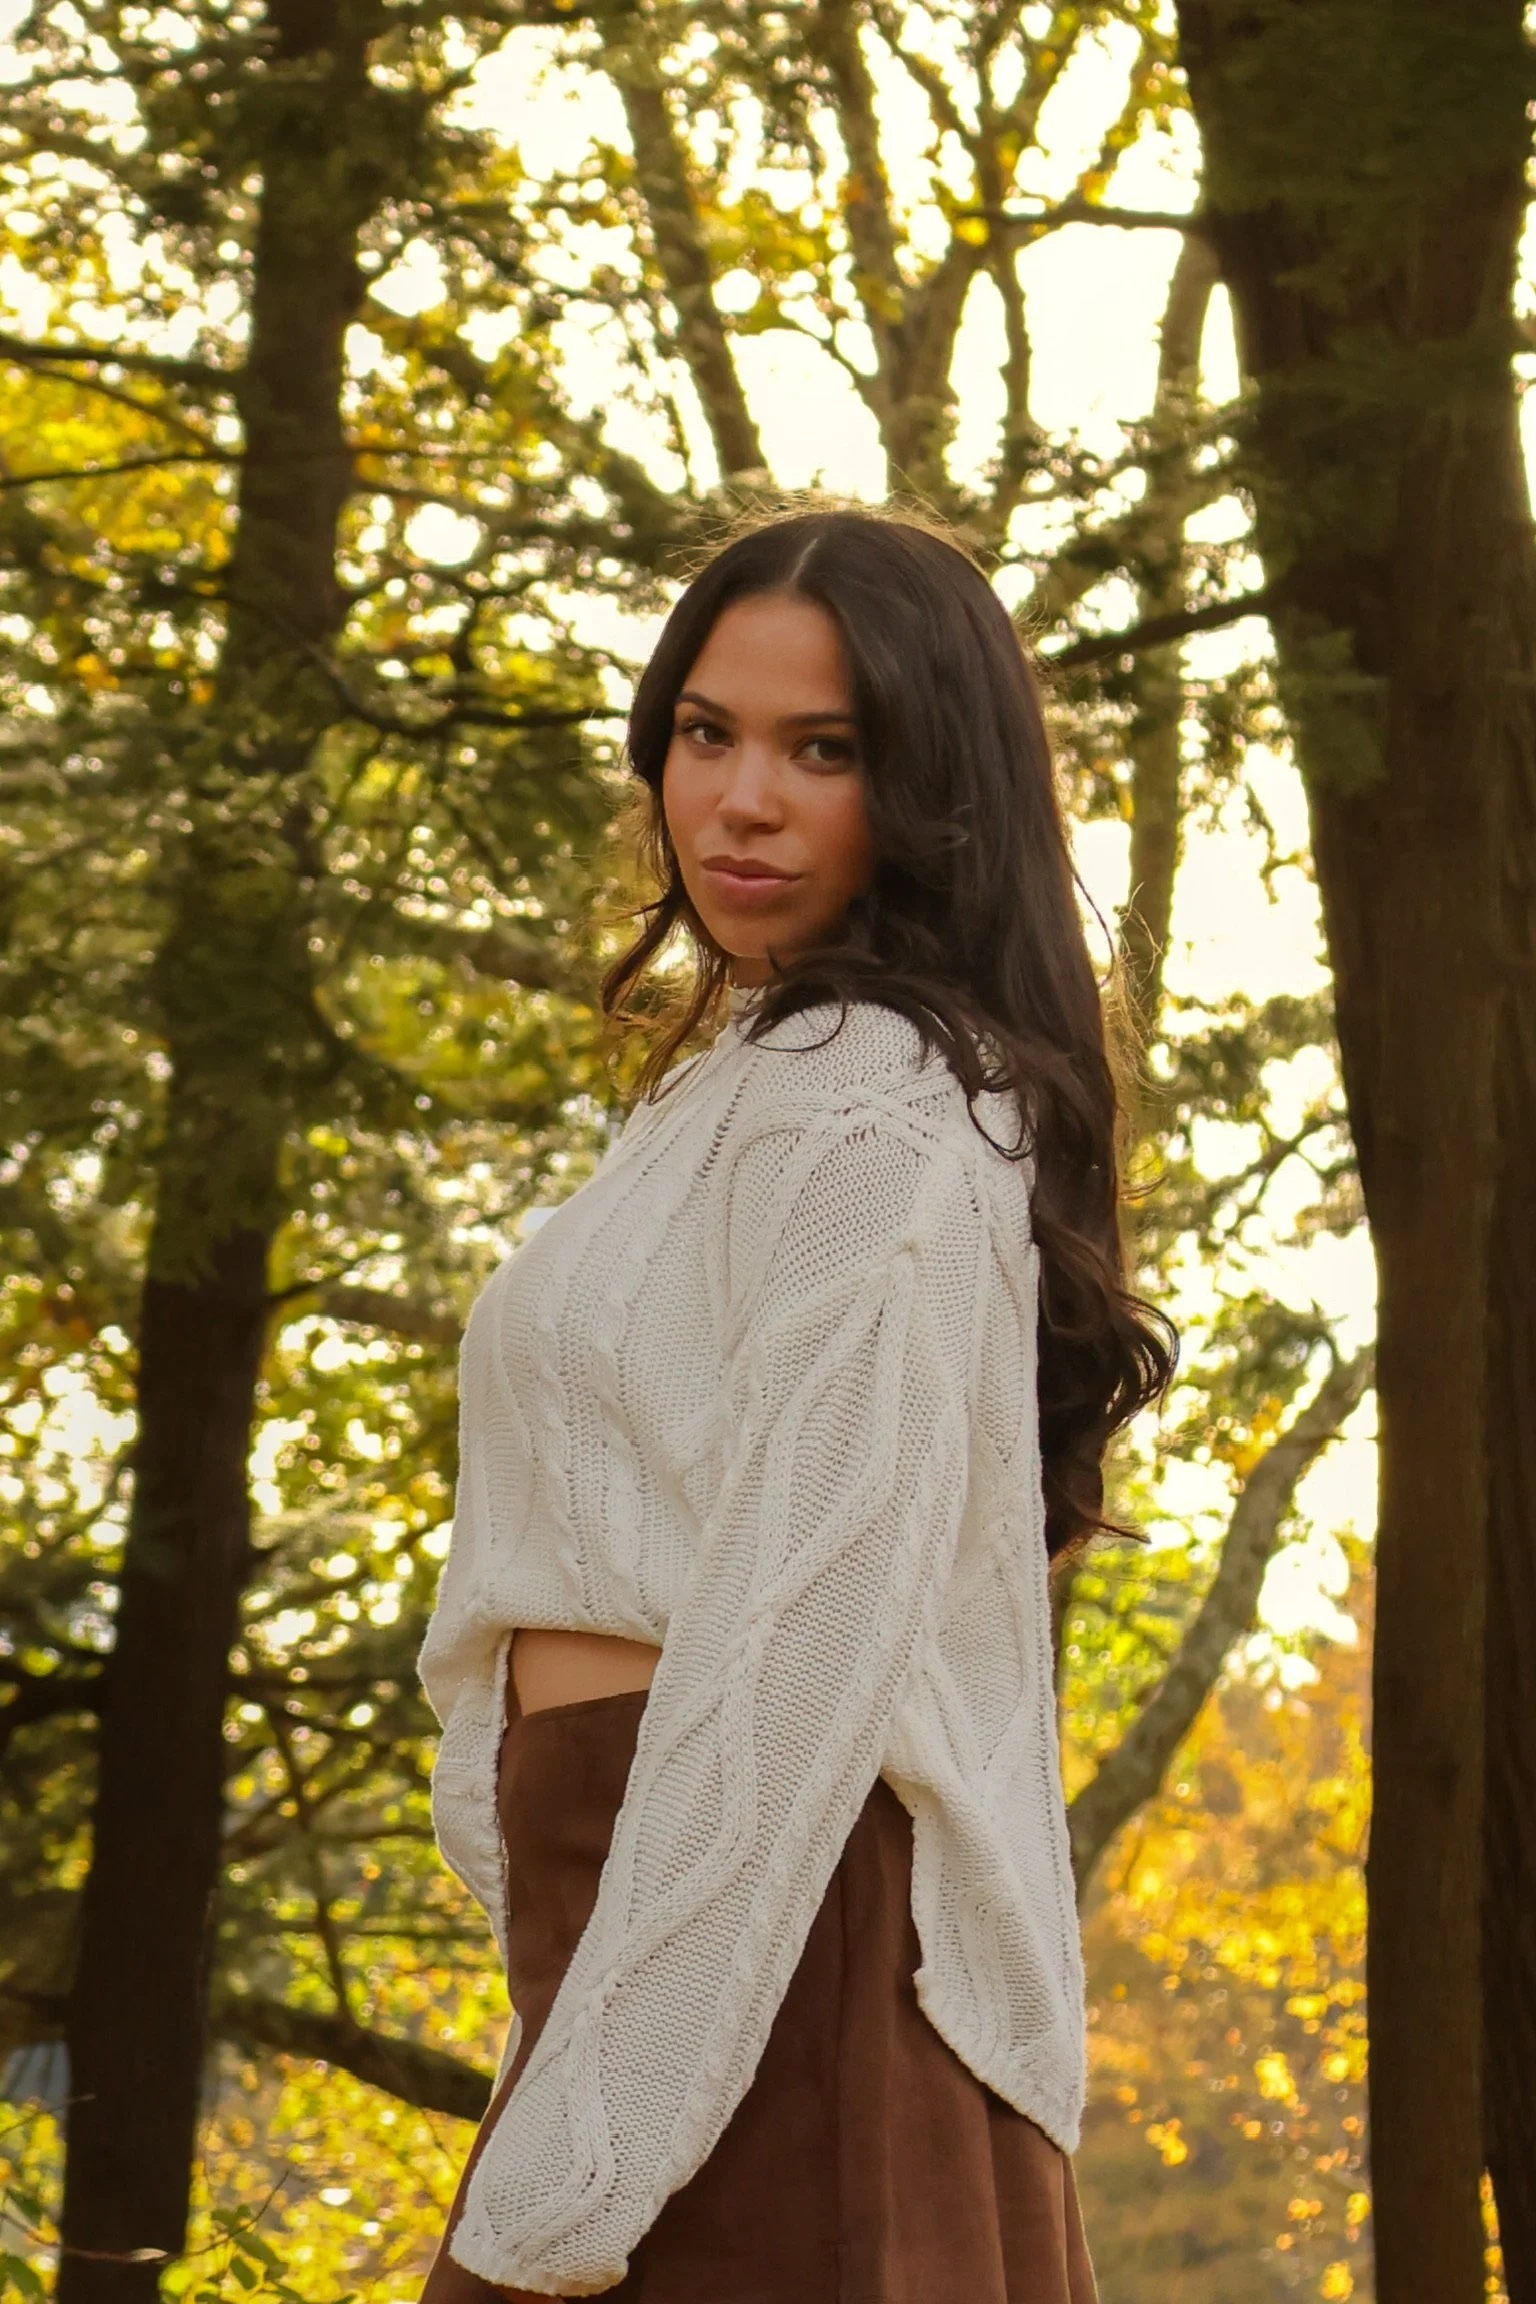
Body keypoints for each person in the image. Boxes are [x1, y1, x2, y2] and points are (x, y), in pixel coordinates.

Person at [417, 505, 1176, 2300]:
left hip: (785, 1937)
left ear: (931, 791)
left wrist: (570, 2167)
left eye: (823, 751)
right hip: (671, 1925)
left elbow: (798, 1647)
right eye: (707, 732)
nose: (742, 800)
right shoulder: (733, 1091)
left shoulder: (873, 1098)